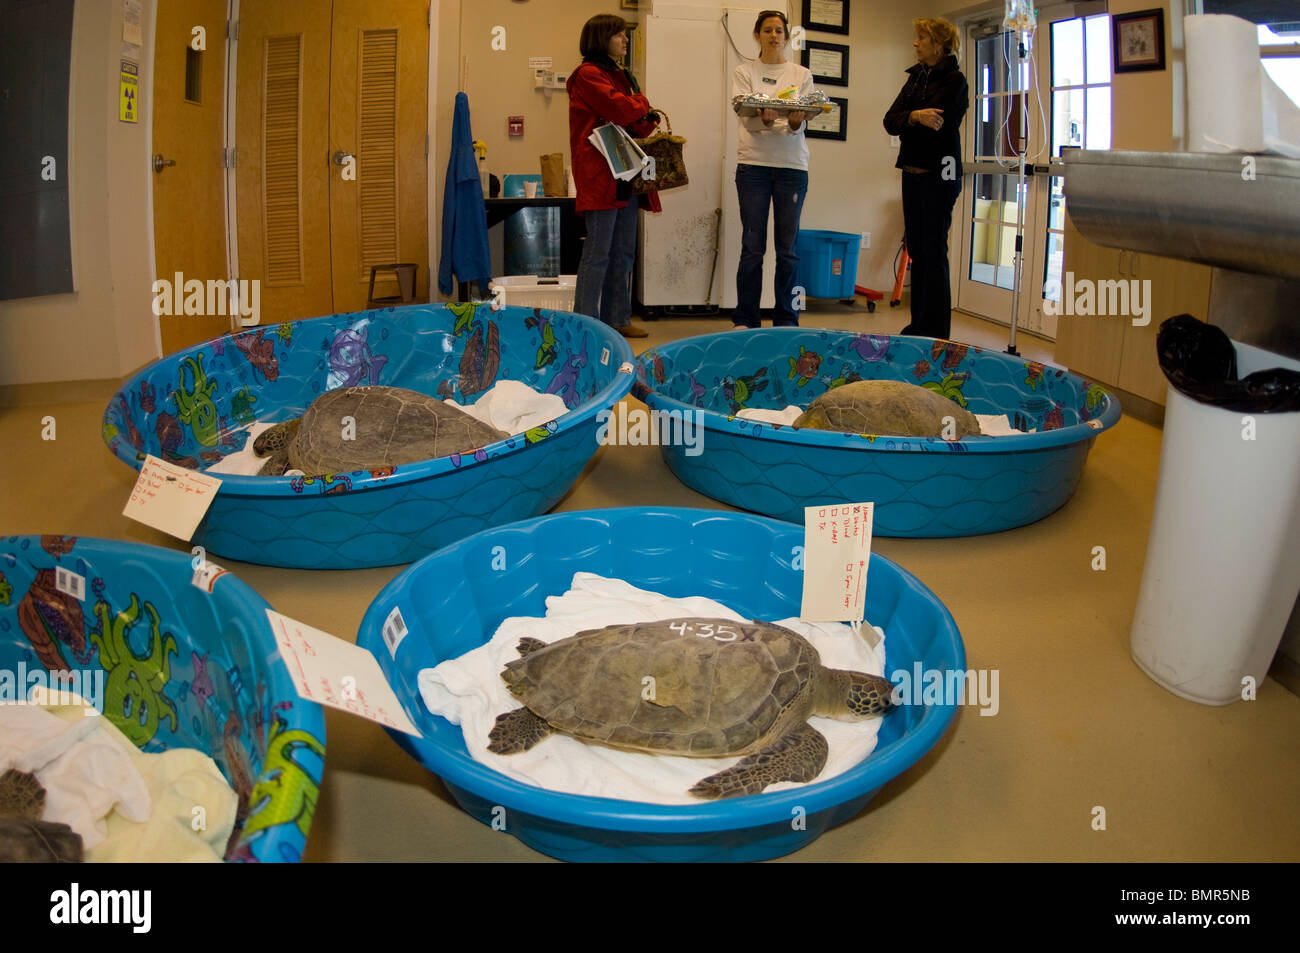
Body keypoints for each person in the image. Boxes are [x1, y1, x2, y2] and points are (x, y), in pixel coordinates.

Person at [567, 14, 662, 339]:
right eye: (618, 35)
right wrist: (642, 103)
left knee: (623, 252)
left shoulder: (620, 75)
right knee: (598, 253)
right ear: (601, 39)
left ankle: (617, 319)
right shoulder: (587, 75)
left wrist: (640, 112)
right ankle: (585, 322)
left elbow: (636, 120)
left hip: (625, 173)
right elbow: (621, 109)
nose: (624, 40)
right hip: (600, 174)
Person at [883, 18, 969, 340]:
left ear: (938, 44)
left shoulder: (955, 81)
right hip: (912, 172)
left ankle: (937, 332)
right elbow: (890, 121)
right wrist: (915, 116)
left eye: (921, 38)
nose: (915, 43)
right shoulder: (916, 77)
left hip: (942, 172)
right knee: (917, 249)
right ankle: (918, 326)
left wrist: (912, 118)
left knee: (934, 251)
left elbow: (941, 126)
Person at [731, 10, 817, 330]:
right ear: (757, 35)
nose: (774, 36)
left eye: (779, 30)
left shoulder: (801, 74)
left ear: (786, 36)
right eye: (767, 30)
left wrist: (794, 123)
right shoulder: (744, 72)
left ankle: (787, 318)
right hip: (752, 166)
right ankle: (746, 319)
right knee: (752, 248)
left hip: (792, 168)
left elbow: (803, 116)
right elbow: (746, 117)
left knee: (789, 250)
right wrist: (765, 120)